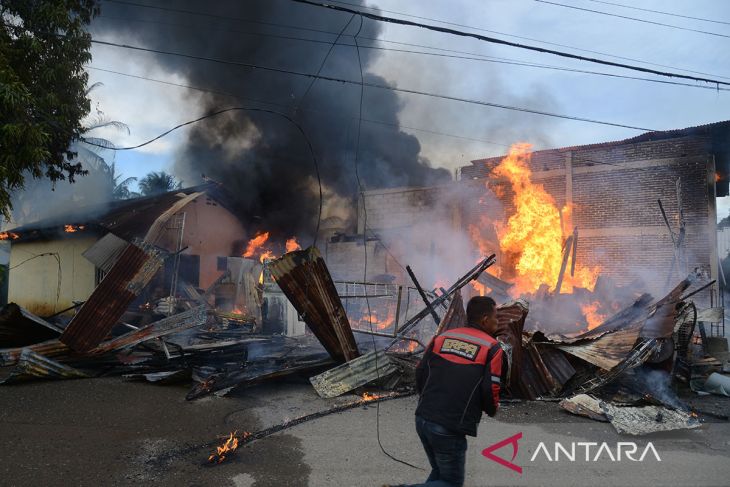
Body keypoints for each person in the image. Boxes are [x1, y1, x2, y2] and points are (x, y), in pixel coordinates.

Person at [402, 296, 505, 487]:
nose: (497, 322)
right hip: (448, 428)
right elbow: (491, 388)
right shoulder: (492, 347)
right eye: (496, 317)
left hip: (423, 418)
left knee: (440, 473)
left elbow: (420, 371)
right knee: (451, 483)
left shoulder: (443, 337)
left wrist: (428, 401)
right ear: (484, 319)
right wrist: (492, 409)